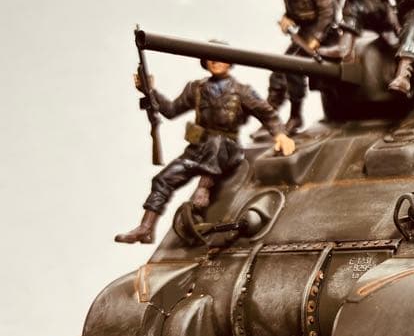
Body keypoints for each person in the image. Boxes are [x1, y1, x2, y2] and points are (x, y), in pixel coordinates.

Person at [115, 52, 296, 244]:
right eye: (210, 58)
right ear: (205, 63)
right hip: (198, 149)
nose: (215, 61)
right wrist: (150, 91)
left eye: (219, 57)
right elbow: (171, 109)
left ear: (229, 62)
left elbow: (266, 113)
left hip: (228, 149)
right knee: (164, 178)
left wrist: (280, 135)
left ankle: (203, 190)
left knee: (216, 145)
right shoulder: (196, 88)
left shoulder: (242, 91)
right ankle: (145, 228)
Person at [262, 0, 338, 134]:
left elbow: (328, 9)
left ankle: (295, 117)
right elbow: (295, 11)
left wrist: (317, 38)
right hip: (304, 33)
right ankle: (269, 117)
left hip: (325, 32)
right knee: (279, 70)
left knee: (292, 66)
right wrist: (287, 19)